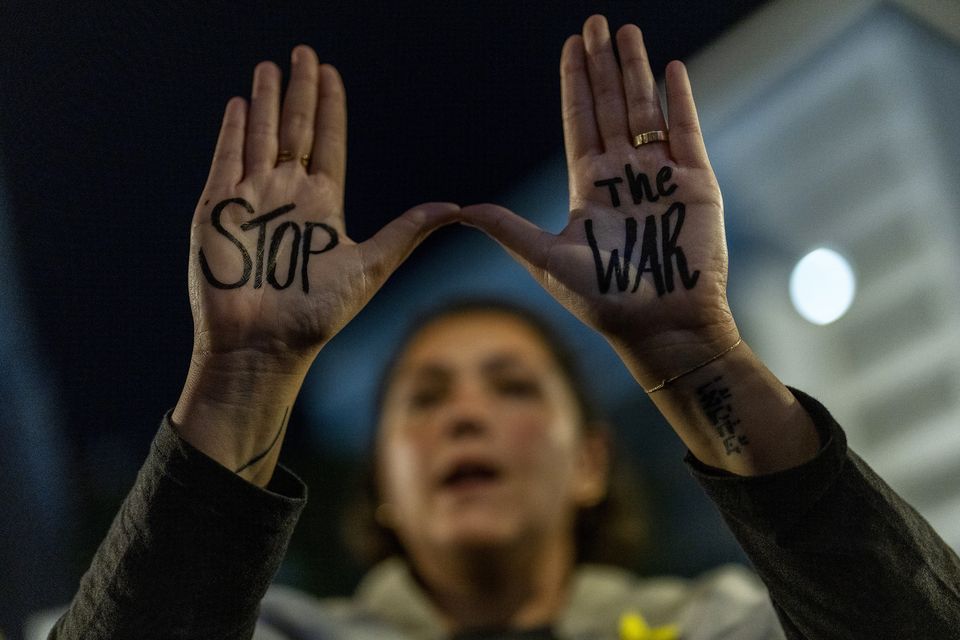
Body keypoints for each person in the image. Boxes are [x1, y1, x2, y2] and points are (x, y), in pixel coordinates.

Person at [49, 15, 960, 640]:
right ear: (384, 488)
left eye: (514, 386)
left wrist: (695, 349)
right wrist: (242, 374)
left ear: (592, 461)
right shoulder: (273, 630)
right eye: (426, 399)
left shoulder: (721, 622)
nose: (467, 417)